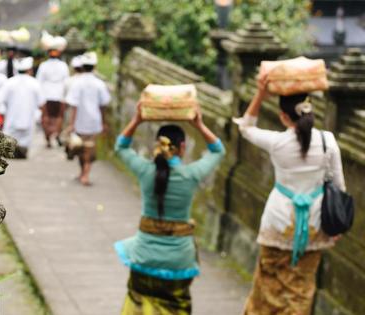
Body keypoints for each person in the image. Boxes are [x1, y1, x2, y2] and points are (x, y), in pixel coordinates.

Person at [236, 75, 346, 315]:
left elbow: (245, 127)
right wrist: (336, 227)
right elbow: (339, 186)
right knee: (302, 286)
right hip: (316, 225)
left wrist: (260, 93)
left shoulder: (277, 142)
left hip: (278, 222)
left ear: (283, 116)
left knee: (267, 285)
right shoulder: (328, 141)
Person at [114, 103, 225, 314]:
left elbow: (120, 147)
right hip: (179, 261)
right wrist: (199, 125)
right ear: (182, 147)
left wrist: (137, 120)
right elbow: (218, 151)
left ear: (158, 146)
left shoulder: (145, 171)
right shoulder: (191, 175)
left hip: (143, 256)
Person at [66, 52, 110, 186]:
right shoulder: (99, 84)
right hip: (94, 121)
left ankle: (84, 174)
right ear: (94, 66)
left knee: (80, 148)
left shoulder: (76, 83)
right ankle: (84, 173)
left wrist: (71, 123)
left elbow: (74, 105)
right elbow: (104, 105)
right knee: (88, 149)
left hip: (80, 121)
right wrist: (103, 122)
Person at [0, 57, 45, 159]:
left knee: (10, 140)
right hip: (29, 120)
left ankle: (13, 152)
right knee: (24, 142)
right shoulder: (35, 83)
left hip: (11, 120)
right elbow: (42, 103)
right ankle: (21, 152)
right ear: (29, 70)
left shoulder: (9, 82)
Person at [36, 35, 70, 147]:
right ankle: (56, 135)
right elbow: (66, 82)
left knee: (46, 117)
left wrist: (39, 98)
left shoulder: (43, 65)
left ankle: (48, 139)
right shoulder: (63, 65)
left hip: (46, 95)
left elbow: (39, 82)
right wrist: (65, 97)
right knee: (59, 117)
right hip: (60, 95)